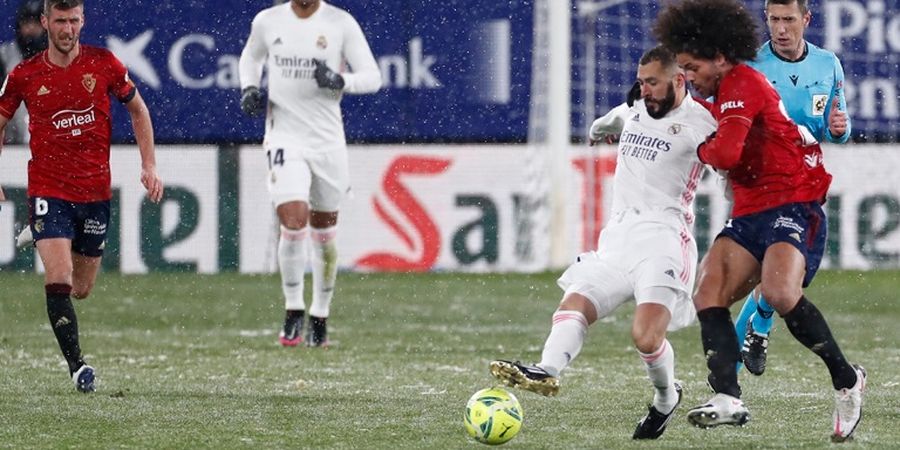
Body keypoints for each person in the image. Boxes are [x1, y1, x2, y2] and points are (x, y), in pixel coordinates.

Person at [653, 0, 865, 442]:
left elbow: (724, 153)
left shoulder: (742, 81)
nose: (689, 78)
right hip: (751, 206)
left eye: (693, 68)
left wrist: (701, 147)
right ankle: (728, 397)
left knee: (779, 292)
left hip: (796, 197)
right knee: (708, 293)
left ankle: (847, 381)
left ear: (719, 57)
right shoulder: (719, 88)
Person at [490, 45, 718, 440]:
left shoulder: (702, 123)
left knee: (646, 337)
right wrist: (598, 130)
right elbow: (613, 119)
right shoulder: (633, 109)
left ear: (679, 81)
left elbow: (739, 153)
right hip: (617, 240)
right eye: (640, 82)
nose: (644, 90)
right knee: (575, 303)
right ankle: (547, 370)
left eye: (652, 82)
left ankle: (666, 398)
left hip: (665, 241)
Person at [0, 0, 164, 393]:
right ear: (45, 23)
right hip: (48, 188)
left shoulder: (104, 64)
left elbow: (138, 111)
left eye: (74, 21)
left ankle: (35, 233)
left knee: (81, 288)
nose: (67, 29)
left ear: (82, 21)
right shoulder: (24, 74)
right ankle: (78, 367)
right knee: (58, 277)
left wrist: (149, 165)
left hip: (94, 192)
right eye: (60, 21)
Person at [238, 0, 382, 347]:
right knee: (293, 217)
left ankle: (320, 315)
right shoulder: (268, 21)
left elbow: (373, 77)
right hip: (285, 134)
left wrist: (339, 79)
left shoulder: (340, 23)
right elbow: (251, 57)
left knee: (325, 230)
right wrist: (249, 88)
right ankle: (292, 309)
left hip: (327, 141)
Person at [734, 0, 852, 377]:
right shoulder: (750, 64)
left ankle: (753, 333)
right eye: (773, 20)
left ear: (806, 19)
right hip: (761, 181)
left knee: (787, 281)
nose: (781, 29)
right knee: (772, 277)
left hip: (806, 178)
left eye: (788, 20)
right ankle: (728, 377)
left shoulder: (827, 64)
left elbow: (837, 123)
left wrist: (839, 129)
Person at [0, 0, 47, 145]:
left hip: (51, 140)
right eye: (26, 23)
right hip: (12, 143)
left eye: (36, 23)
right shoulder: (5, 55)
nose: (31, 28)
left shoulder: (58, 56)